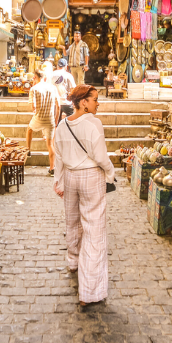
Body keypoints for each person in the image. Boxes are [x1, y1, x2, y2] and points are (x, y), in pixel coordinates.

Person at [53, 85, 114, 306]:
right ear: (83, 102)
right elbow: (101, 156)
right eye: (95, 100)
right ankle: (89, 292)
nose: (98, 103)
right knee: (94, 230)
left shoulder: (62, 125)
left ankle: (73, 262)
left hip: (70, 177)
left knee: (73, 223)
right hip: (90, 177)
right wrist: (110, 172)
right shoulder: (93, 123)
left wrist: (57, 180)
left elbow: (58, 156)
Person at [27, 69, 60, 175]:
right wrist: (56, 120)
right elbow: (58, 106)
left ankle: (28, 150)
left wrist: (35, 111)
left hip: (39, 118)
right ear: (44, 78)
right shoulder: (52, 88)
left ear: (35, 77)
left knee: (29, 130)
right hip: (50, 119)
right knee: (50, 145)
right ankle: (52, 168)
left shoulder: (33, 89)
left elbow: (33, 106)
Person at [50, 58, 76, 124]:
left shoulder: (51, 74)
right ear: (66, 66)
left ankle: (57, 133)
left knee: (56, 122)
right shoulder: (68, 75)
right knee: (71, 120)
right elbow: (73, 89)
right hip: (66, 102)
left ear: (57, 66)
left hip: (54, 102)